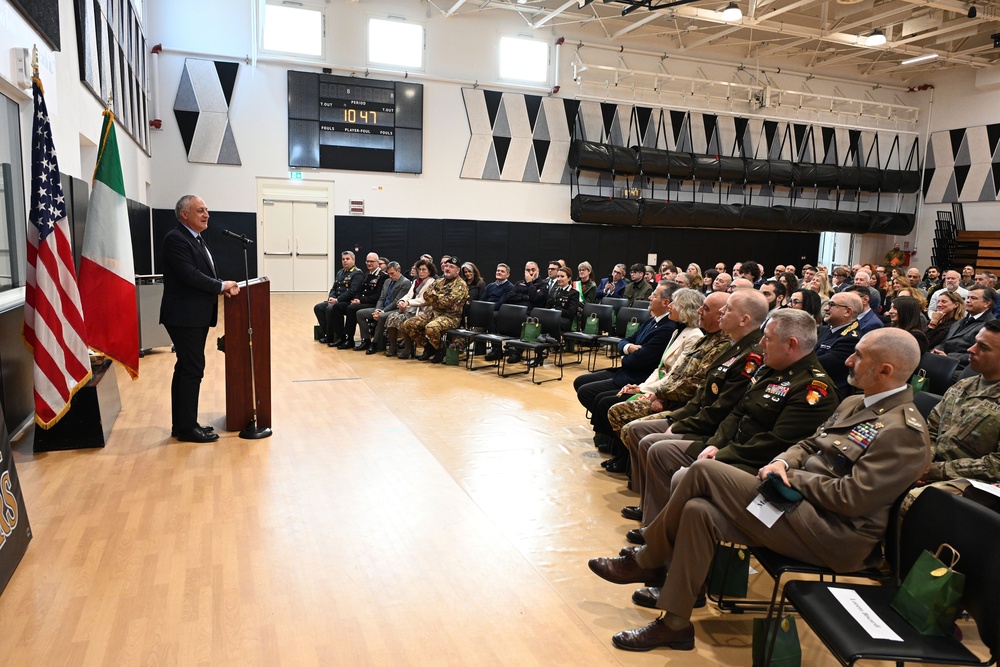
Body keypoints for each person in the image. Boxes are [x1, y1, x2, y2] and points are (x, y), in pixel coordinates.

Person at [588, 328, 928, 652]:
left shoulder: (903, 432)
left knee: (704, 471)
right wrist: (782, 462)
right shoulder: (854, 403)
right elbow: (807, 445)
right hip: (796, 510)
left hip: (834, 535)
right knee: (699, 511)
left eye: (859, 355)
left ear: (885, 370)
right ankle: (675, 624)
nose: (849, 361)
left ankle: (648, 558)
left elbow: (852, 499)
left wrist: (793, 477)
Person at [619, 290, 766, 514]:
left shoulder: (750, 354)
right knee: (637, 430)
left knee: (654, 445)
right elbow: (701, 394)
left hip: (711, 429)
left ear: (744, 319)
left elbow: (723, 409)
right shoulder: (732, 345)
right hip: (697, 415)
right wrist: (676, 417)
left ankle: (655, 515)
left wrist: (679, 423)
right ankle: (648, 502)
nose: (721, 312)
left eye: (727, 309)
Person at [160, 195, 240, 443]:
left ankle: (182, 424)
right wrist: (221, 285)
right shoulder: (176, 239)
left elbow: (201, 274)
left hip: (193, 315)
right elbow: (190, 275)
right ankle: (187, 428)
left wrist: (220, 286)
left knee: (186, 367)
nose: (207, 215)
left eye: (206, 210)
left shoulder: (194, 238)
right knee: (192, 369)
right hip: (184, 315)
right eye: (200, 210)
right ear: (184, 214)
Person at [401, 255, 469, 363]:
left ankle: (440, 350)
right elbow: (426, 295)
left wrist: (435, 297)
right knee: (408, 324)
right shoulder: (439, 282)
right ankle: (430, 348)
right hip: (434, 314)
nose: (447, 268)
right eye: (446, 266)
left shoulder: (461, 285)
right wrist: (439, 297)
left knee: (431, 327)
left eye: (451, 267)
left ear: (457, 270)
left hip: (451, 317)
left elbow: (448, 302)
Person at [931, 286, 997, 376]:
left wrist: (948, 357)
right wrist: (935, 351)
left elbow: (981, 353)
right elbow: (944, 343)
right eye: (968, 297)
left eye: (973, 298)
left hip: (965, 367)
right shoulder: (958, 322)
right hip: (945, 361)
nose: (968, 301)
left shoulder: (990, 326)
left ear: (987, 303)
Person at [385, 259, 436, 359]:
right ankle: (393, 346)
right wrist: (402, 301)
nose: (421, 272)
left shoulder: (432, 283)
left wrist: (408, 303)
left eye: (424, 269)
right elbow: (408, 295)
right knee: (391, 317)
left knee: (404, 320)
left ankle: (408, 348)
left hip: (424, 311)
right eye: (419, 269)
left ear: (429, 271)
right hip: (411, 308)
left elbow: (424, 300)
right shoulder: (416, 281)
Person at [355, 261, 411, 354]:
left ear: (398, 271)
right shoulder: (387, 281)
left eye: (392, 273)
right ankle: (366, 340)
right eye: (389, 274)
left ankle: (375, 343)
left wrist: (382, 311)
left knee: (381, 316)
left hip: (396, 309)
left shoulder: (405, 283)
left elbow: (396, 302)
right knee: (360, 313)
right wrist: (377, 310)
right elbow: (381, 298)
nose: (390, 276)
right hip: (383, 308)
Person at [814, 292, 862, 397]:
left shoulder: (851, 339)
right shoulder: (824, 330)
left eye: (831, 305)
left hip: (829, 393)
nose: (826, 308)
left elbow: (819, 364)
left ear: (848, 312)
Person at [338, 253, 388, 350]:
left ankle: (355, 339)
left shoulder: (382, 276)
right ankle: (342, 337)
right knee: (341, 306)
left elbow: (378, 296)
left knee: (352, 308)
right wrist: (356, 298)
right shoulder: (367, 275)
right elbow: (360, 290)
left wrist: (360, 300)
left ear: (378, 262)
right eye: (367, 261)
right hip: (363, 302)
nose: (369, 263)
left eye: (372, 261)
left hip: (373, 304)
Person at [314, 251, 364, 346]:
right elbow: (334, 288)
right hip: (336, 300)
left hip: (347, 302)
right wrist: (331, 298)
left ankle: (339, 336)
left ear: (353, 260)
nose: (345, 261)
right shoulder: (340, 272)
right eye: (343, 259)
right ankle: (328, 334)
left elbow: (352, 291)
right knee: (319, 307)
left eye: (347, 259)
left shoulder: (357, 273)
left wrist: (337, 300)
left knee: (331, 308)